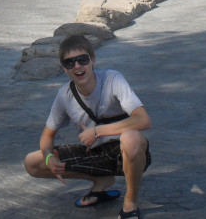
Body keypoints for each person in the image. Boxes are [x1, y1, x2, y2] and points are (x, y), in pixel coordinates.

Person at [24, 35, 152, 219]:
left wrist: (98, 131)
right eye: (70, 62)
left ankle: (130, 204)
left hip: (124, 151)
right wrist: (49, 157)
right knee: (32, 163)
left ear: (93, 60)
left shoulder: (112, 79)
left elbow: (143, 120)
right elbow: (47, 135)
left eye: (82, 59)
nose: (77, 66)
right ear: (64, 68)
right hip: (93, 152)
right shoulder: (64, 95)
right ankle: (101, 180)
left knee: (131, 138)